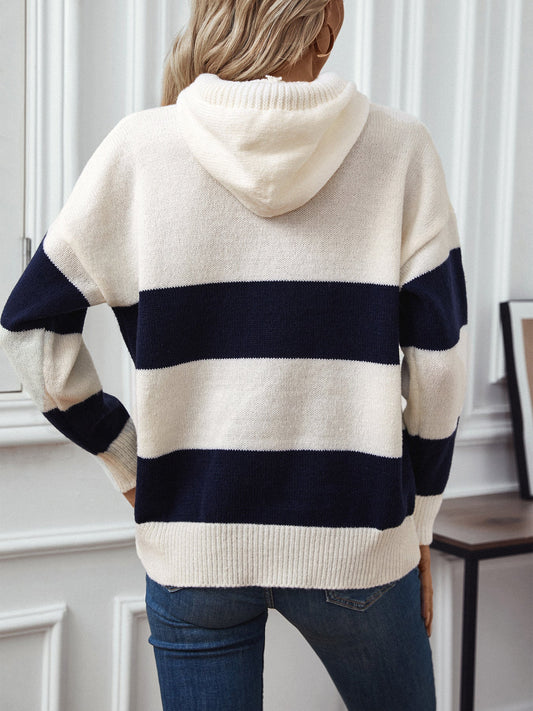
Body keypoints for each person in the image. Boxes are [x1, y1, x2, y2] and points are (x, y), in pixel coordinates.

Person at [0, 0, 469, 708]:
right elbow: (439, 367)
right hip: (360, 545)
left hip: (194, 549)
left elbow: (31, 330)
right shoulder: (400, 150)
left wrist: (128, 464)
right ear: (325, 23)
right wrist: (421, 525)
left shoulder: (139, 150)